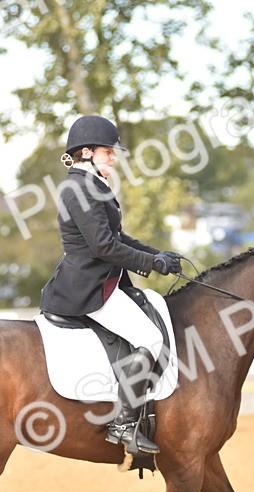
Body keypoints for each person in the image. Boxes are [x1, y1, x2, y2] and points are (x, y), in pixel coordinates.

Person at [39, 114, 182, 456]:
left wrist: (156, 254)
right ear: (87, 152)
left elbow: (118, 236)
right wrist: (151, 263)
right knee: (151, 338)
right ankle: (123, 424)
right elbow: (104, 246)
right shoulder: (78, 188)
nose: (115, 156)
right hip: (88, 287)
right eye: (109, 150)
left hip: (104, 280)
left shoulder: (92, 184)